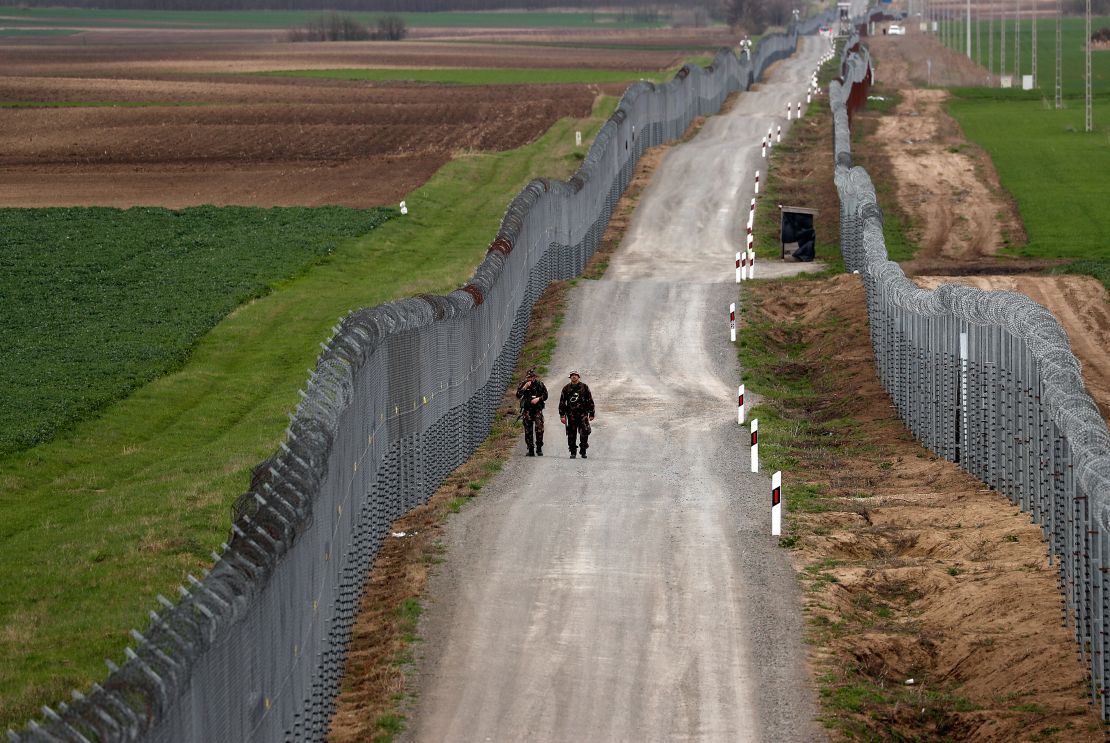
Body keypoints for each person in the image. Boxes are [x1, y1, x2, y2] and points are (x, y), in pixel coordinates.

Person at [558, 370, 595, 459]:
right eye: (572, 375)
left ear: (578, 377)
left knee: (584, 432)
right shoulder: (566, 388)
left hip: (583, 414)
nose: (574, 377)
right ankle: (573, 452)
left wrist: (592, 413)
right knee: (571, 434)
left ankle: (583, 450)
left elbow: (590, 400)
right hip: (571, 415)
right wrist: (562, 415)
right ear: (570, 377)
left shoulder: (584, 387)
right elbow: (562, 402)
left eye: (575, 375)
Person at [515, 368, 548, 456]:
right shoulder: (523, 384)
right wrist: (524, 387)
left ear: (535, 377)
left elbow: (545, 395)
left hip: (537, 409)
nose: (530, 379)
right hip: (527, 410)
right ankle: (530, 449)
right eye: (529, 377)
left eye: (532, 377)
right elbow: (518, 395)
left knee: (539, 429)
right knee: (528, 430)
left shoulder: (540, 384)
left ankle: (539, 448)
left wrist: (538, 399)